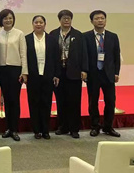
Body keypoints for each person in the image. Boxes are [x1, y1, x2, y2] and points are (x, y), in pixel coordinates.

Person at [48, 10, 87, 139]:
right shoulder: (53, 34)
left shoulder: (78, 35)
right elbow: (50, 54)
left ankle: (74, 129)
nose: (66, 20)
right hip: (58, 73)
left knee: (74, 101)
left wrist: (84, 70)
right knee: (61, 100)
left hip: (74, 72)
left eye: (68, 18)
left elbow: (84, 54)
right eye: (64, 18)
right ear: (59, 20)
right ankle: (63, 126)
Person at [83, 10, 121, 138]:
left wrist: (116, 72)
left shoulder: (113, 36)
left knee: (110, 101)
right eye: (97, 18)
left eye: (102, 18)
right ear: (91, 21)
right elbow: (84, 56)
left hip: (108, 74)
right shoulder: (86, 36)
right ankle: (95, 126)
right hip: (93, 74)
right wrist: (84, 71)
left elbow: (116, 56)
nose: (100, 20)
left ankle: (108, 127)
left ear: (105, 20)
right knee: (93, 101)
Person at [0, 9, 28, 141]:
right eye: (5, 18)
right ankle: (8, 128)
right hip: (1, 69)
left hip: (15, 69)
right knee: (7, 99)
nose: (8, 20)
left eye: (10, 18)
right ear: (1, 20)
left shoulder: (19, 34)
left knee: (14, 99)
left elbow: (23, 54)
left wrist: (24, 72)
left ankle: (14, 129)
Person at [25, 15, 58, 140]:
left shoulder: (51, 39)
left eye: (41, 22)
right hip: (32, 76)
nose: (38, 24)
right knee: (34, 102)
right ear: (32, 24)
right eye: (36, 22)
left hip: (48, 76)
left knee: (46, 102)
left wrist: (56, 74)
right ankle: (36, 130)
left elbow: (56, 58)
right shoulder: (27, 39)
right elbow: (24, 58)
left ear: (45, 24)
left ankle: (45, 130)